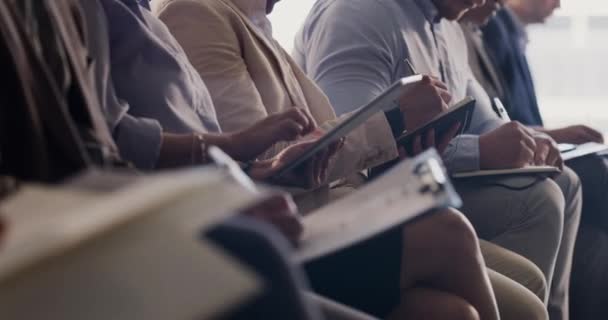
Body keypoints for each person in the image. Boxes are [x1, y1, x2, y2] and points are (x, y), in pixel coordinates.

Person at [155, 0, 552, 319]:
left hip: (332, 203)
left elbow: (311, 144)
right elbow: (270, 160)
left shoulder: (255, 23)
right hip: (298, 223)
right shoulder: (198, 12)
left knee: (461, 309)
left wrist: (399, 146)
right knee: (458, 231)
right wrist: (395, 119)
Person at [292, 0, 583, 319]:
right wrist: (481, 151)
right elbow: (352, 153)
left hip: (418, 184)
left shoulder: (449, 27)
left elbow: (485, 121)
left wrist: (523, 142)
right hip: (361, 200)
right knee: (539, 200)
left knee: (563, 179)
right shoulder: (358, 13)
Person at [461, 1, 608, 319]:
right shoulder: (487, 32)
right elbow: (499, 125)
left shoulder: (458, 32)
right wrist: (543, 137)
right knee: (584, 180)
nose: (558, 4)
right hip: (461, 173)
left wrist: (545, 137)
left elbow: (495, 122)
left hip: (490, 156)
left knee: (579, 177)